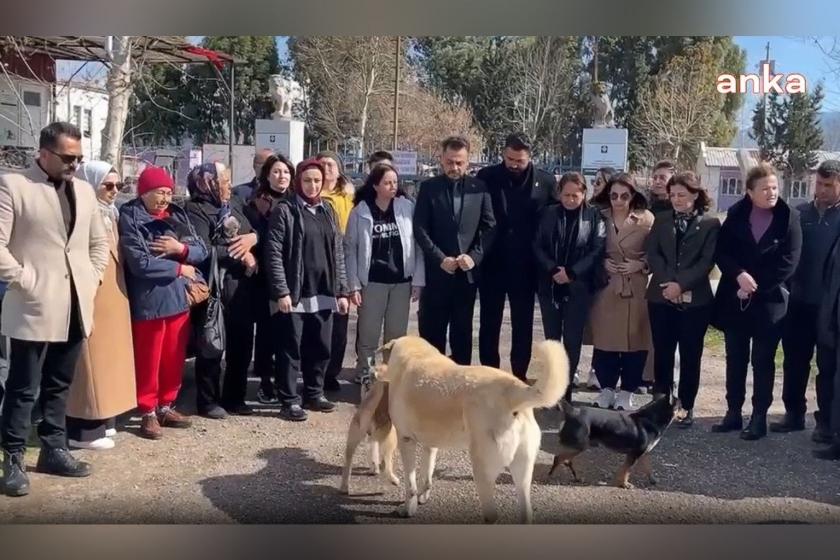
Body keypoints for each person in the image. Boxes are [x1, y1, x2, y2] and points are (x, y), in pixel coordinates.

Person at [0, 121, 109, 497]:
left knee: (59, 384)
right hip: (32, 305)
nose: (74, 165)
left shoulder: (83, 190)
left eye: (79, 158)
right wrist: (25, 279)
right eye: (67, 157)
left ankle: (53, 448)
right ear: (44, 153)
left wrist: (91, 279)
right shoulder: (14, 186)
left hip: (76, 304)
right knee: (23, 387)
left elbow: (98, 243)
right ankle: (13, 457)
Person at [711, 163, 802, 440]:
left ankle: (759, 417)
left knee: (762, 360)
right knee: (735, 358)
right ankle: (733, 412)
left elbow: (789, 262)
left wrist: (755, 285)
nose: (771, 193)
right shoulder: (737, 214)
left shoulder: (790, 218)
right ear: (750, 192)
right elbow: (722, 252)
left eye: (774, 187)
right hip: (735, 298)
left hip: (769, 302)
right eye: (765, 189)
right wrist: (738, 275)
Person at [119, 166, 208, 440]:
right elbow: (141, 264)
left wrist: (179, 250)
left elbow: (201, 250)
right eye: (160, 192)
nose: (165, 198)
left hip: (178, 298)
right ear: (144, 192)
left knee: (173, 356)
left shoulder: (177, 214)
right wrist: (180, 268)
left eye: (169, 192)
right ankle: (147, 410)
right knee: (150, 358)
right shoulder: (131, 218)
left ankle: (166, 404)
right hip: (150, 300)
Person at [265, 159, 350, 421]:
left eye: (317, 181)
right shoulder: (285, 211)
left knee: (321, 345)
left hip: (324, 291)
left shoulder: (328, 210)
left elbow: (338, 252)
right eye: (307, 180)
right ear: (297, 182)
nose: (312, 186)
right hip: (296, 293)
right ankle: (289, 399)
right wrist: (281, 291)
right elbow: (274, 252)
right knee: (291, 348)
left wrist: (342, 291)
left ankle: (314, 392)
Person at [65, 161, 137, 450]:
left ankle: (105, 420)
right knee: (89, 366)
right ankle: (83, 432)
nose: (114, 191)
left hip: (113, 296)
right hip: (92, 295)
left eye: (118, 186)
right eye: (107, 185)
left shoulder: (112, 213)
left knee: (108, 363)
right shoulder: (79, 213)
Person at [475, 133, 553, 380]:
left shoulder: (546, 182)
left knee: (522, 326)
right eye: (509, 158)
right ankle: (490, 376)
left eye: (519, 160)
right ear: (503, 154)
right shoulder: (486, 177)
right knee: (489, 323)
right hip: (492, 263)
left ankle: (519, 375)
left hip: (527, 266)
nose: (514, 164)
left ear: (529, 157)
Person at [645, 172, 720, 428]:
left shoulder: (710, 224)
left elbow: (706, 261)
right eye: (673, 195)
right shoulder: (662, 220)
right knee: (663, 352)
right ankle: (661, 403)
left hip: (695, 302)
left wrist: (682, 285)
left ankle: (686, 405)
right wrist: (669, 284)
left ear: (696, 195)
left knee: (690, 354)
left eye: (682, 195)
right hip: (661, 295)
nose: (676, 199)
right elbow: (652, 252)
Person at [413, 136, 496, 365]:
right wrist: (440, 259)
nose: (454, 167)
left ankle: (460, 388)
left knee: (462, 335)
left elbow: (490, 227)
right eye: (450, 162)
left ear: (468, 162)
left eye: (459, 162)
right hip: (437, 275)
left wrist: (474, 256)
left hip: (466, 277)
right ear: (441, 159)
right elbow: (420, 228)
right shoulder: (429, 188)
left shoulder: (479, 189)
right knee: (431, 335)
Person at [185, 163, 259, 419]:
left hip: (240, 286)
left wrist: (253, 240)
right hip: (213, 285)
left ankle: (235, 396)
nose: (228, 185)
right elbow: (202, 249)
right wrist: (241, 254)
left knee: (241, 343)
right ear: (209, 183)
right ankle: (208, 401)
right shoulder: (194, 209)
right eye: (223, 180)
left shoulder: (235, 205)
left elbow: (252, 232)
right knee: (211, 343)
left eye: (228, 180)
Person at [773, 160, 840, 442]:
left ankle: (825, 421)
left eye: (829, 185)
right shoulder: (799, 214)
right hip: (798, 302)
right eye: (818, 184)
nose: (821, 190)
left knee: (827, 366)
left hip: (829, 307)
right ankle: (794, 413)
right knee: (794, 361)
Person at [345, 163, 424, 375]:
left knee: (396, 337)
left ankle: (391, 377)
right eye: (387, 183)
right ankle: (366, 374)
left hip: (401, 282)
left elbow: (417, 245)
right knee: (369, 333)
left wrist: (418, 281)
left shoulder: (407, 208)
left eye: (395, 182)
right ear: (375, 186)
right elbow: (350, 249)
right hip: (372, 282)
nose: (392, 186)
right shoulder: (360, 211)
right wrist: (353, 285)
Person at [533, 172, 606, 400]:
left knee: (573, 339)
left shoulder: (594, 217)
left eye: (576, 195)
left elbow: (597, 248)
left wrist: (573, 272)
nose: (570, 200)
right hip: (550, 284)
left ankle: (566, 390)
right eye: (566, 195)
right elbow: (537, 245)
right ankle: (552, 385)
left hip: (578, 286)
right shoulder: (548, 214)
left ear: (584, 194)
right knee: (553, 339)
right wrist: (553, 269)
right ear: (559, 193)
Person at [587, 173, 655, 411]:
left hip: (635, 286)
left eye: (624, 196)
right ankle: (606, 389)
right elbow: (587, 246)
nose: (618, 200)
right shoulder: (598, 216)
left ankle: (627, 391)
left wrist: (642, 264)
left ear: (633, 195)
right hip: (606, 285)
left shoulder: (646, 219)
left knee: (634, 341)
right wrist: (601, 262)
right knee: (605, 341)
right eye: (614, 195)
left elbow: (657, 251)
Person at [242, 153, 295, 405]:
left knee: (289, 331)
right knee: (266, 331)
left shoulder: (297, 200)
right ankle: (265, 381)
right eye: (275, 172)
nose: (281, 176)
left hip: (294, 273)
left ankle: (288, 381)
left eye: (285, 172)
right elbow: (253, 235)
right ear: (267, 175)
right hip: (266, 276)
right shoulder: (257, 202)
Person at [317, 151, 355, 392]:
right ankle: (316, 372)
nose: (326, 169)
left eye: (331, 164)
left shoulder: (350, 195)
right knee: (319, 320)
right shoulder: (313, 193)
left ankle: (333, 372)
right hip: (319, 260)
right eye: (321, 165)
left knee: (341, 322)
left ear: (339, 169)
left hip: (345, 261)